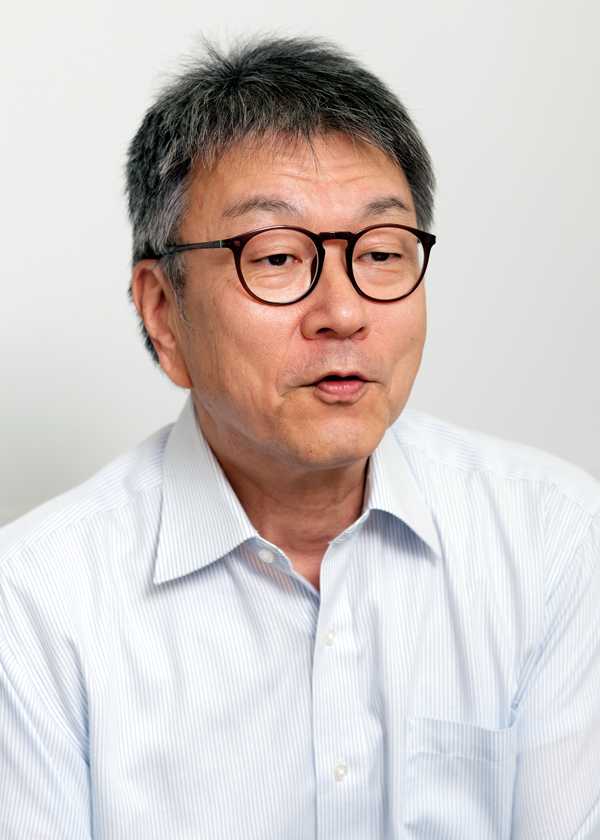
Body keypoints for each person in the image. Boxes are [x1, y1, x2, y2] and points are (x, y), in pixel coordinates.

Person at [1, 35, 599, 840]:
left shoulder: (554, 541)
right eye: (278, 256)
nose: (344, 312)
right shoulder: (35, 605)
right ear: (162, 312)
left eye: (382, 252)